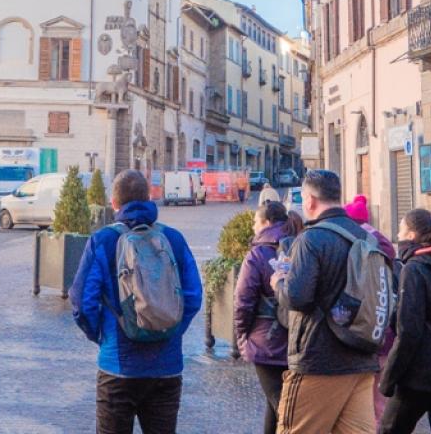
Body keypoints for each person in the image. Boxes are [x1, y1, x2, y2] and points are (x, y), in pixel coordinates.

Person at [70, 169, 202, 434]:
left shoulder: (103, 240)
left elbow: (82, 301)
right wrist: (170, 329)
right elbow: (193, 296)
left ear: (114, 203)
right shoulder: (174, 239)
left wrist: (101, 336)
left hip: (118, 366)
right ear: (149, 197)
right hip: (166, 367)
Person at [272, 169, 380, 434]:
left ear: (309, 200)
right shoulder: (366, 237)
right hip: (361, 356)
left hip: (318, 360)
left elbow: (298, 297)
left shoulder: (311, 239)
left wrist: (278, 284)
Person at [234, 202, 303, 434]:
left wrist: (242, 336)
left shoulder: (259, 253)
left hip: (267, 342)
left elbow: (243, 301)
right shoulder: (301, 245)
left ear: (266, 222)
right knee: (276, 406)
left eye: (255, 221)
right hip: (297, 337)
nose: (253, 226)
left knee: (284, 411)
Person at [379, 208, 431, 434]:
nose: (398, 236)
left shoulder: (414, 269)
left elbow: (408, 331)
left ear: (411, 235)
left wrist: (388, 378)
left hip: (418, 376)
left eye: (400, 230)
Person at [344, 194, 396, 429]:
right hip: (384, 333)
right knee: (379, 400)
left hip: (368, 336)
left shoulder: (359, 244)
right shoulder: (382, 245)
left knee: (370, 403)